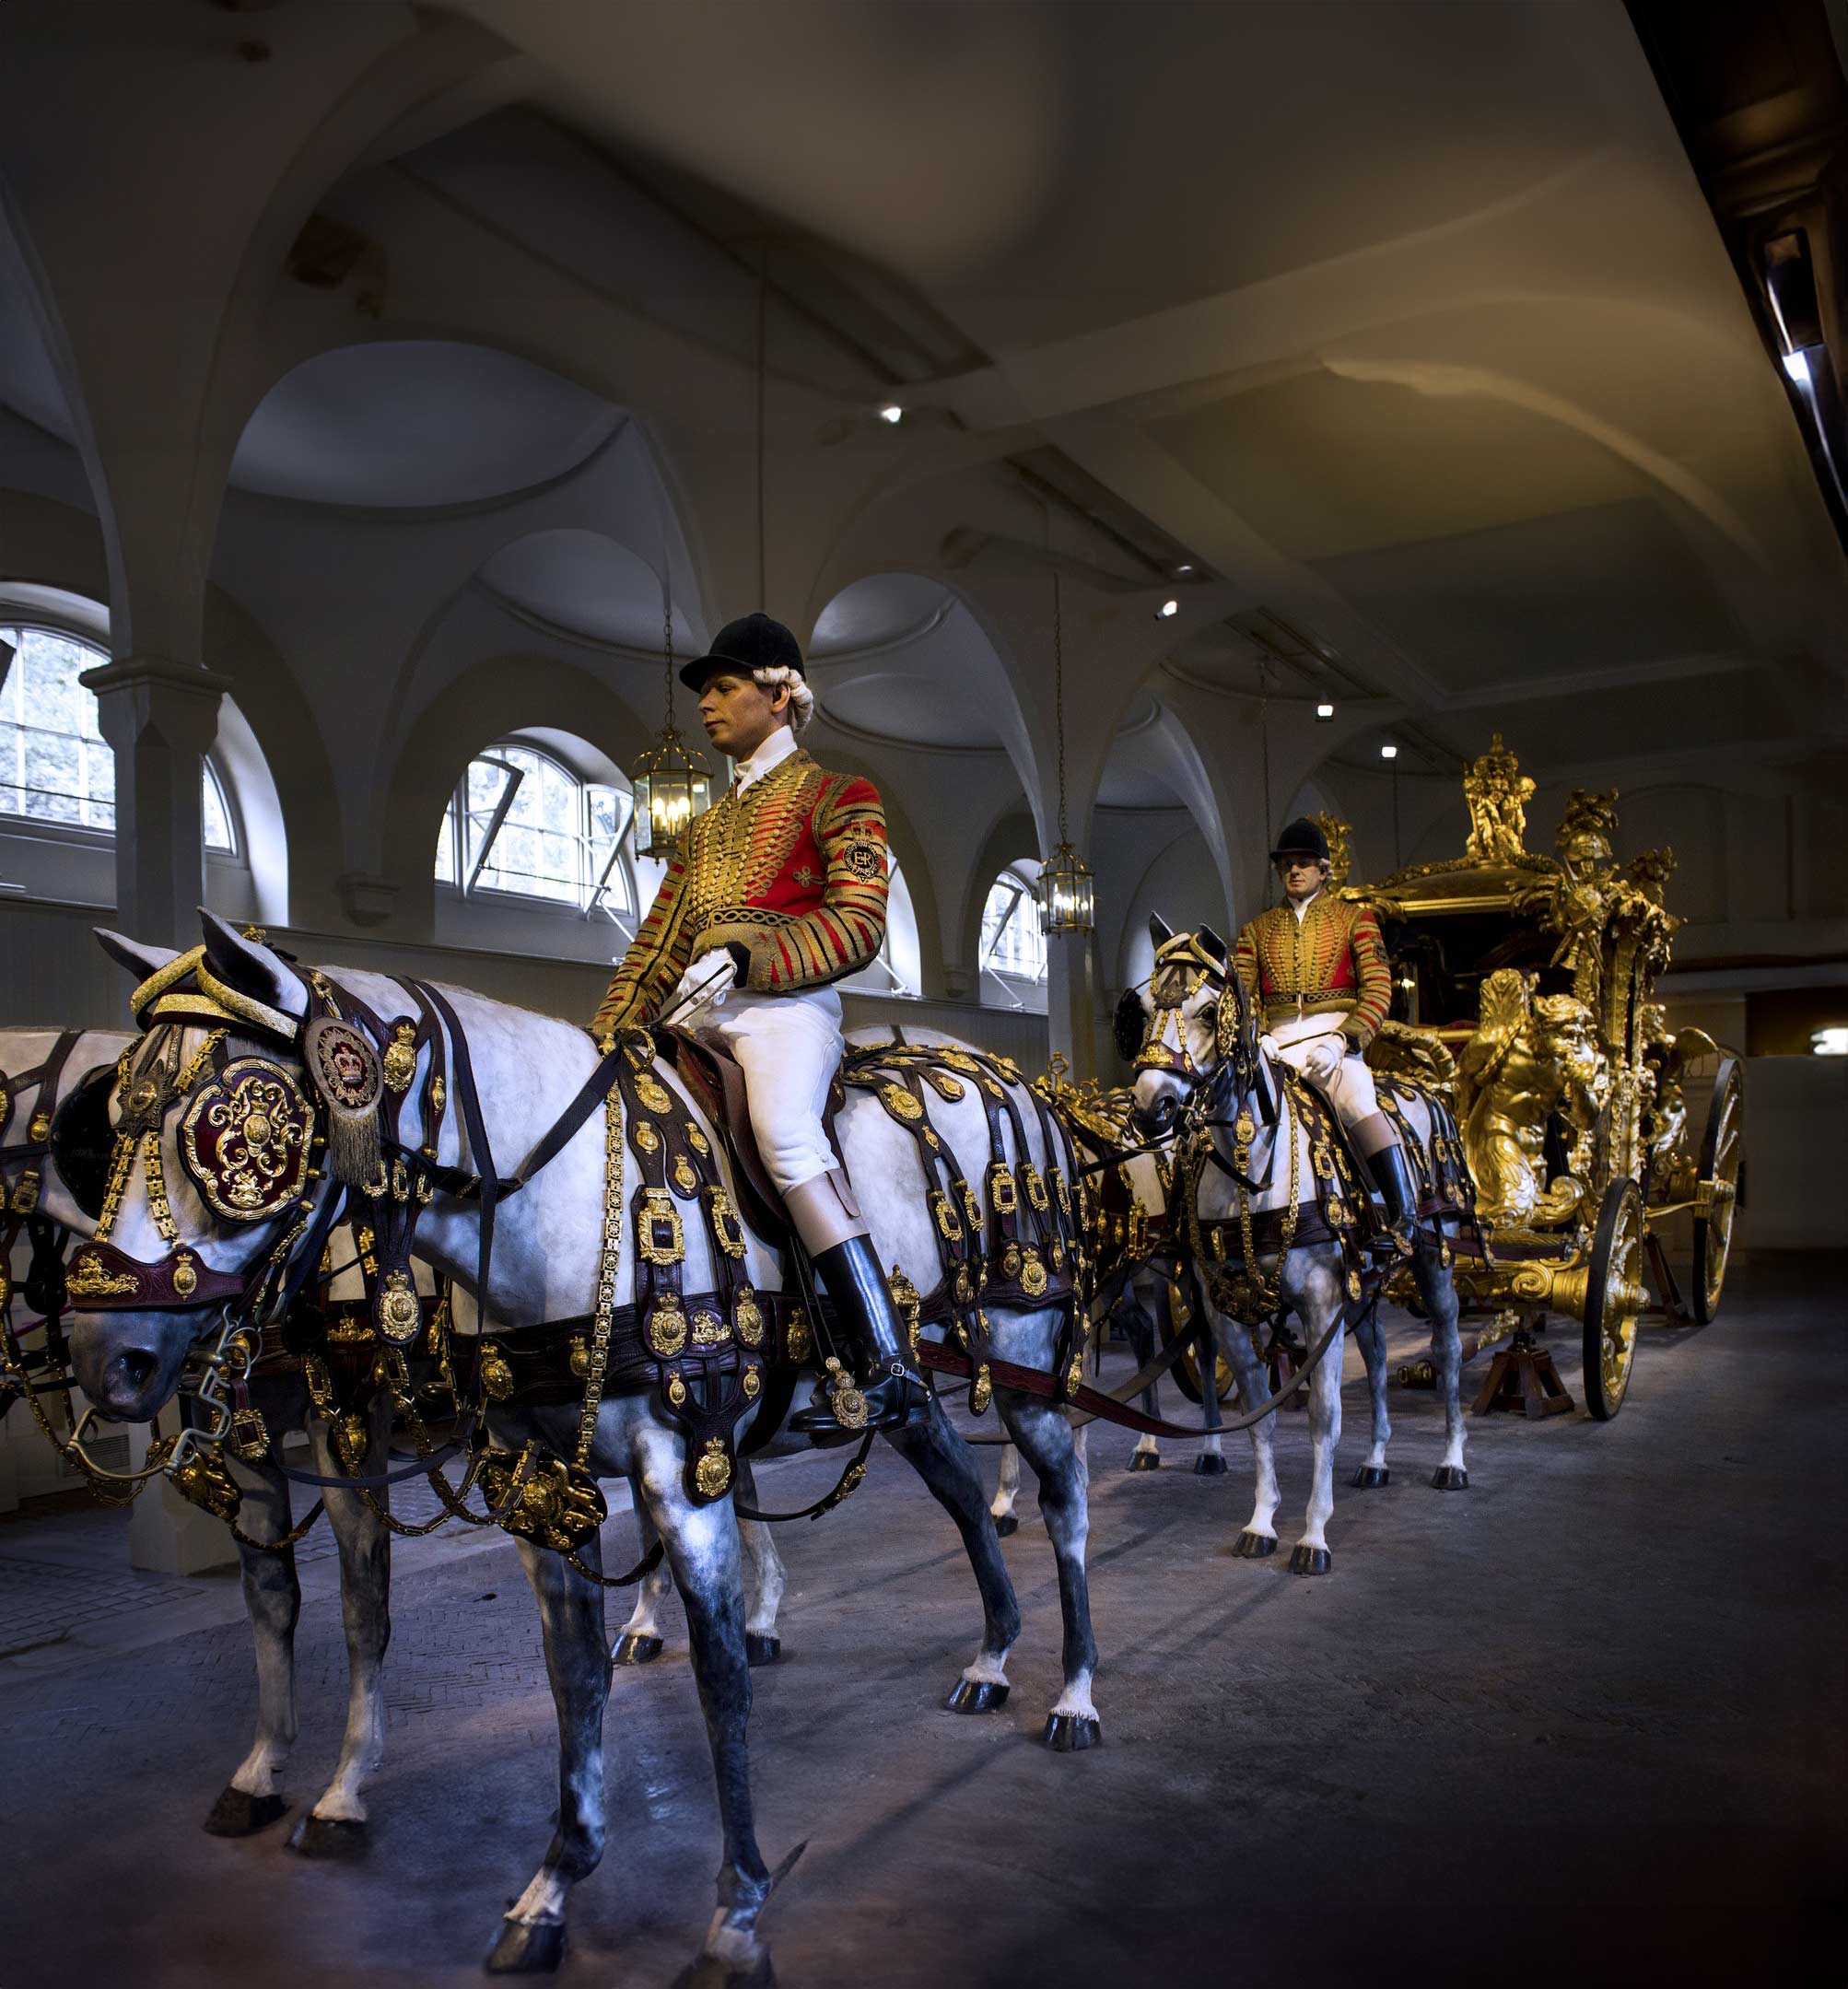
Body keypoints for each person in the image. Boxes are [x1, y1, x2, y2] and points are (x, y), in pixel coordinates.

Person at [592, 612, 929, 1442]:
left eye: (724, 687)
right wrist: (604, 1035)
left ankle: (883, 1357)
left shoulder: (841, 795)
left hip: (788, 1009)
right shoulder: (703, 829)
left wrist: (749, 956)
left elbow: (858, 923)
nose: (707, 703)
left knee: (784, 1134)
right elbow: (656, 946)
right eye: (705, 690)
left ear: (780, 695)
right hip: (698, 1010)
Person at [1232, 817, 1417, 1253]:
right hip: (1275, 1047)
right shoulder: (1255, 932)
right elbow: (1241, 998)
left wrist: (1342, 1040)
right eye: (1287, 865)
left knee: (1356, 1098)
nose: (1294, 871)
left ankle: (1401, 1211)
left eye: (1303, 863)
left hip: (1333, 1044)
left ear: (1324, 869)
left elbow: (1377, 991)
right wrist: (1256, 1035)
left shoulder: (1357, 920)